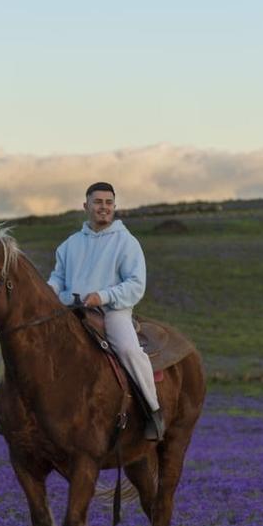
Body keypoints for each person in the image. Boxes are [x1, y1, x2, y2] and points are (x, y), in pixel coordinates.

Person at [47, 182, 164, 441]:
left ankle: (153, 412)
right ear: (86, 206)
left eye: (108, 202)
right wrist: (46, 292)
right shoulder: (70, 244)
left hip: (112, 312)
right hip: (71, 310)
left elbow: (135, 284)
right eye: (98, 202)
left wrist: (104, 295)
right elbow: (58, 277)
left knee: (128, 350)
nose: (103, 207)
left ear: (114, 206)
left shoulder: (126, 242)